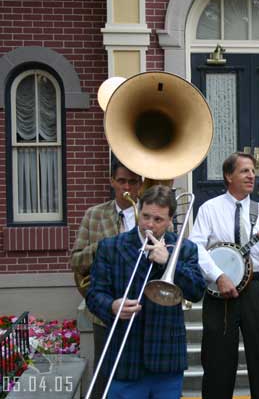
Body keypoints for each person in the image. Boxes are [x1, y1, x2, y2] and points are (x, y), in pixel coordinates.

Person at [86, 185, 205, 398]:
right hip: (125, 359)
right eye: (145, 216)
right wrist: (112, 306)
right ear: (138, 212)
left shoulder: (185, 248)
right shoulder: (111, 247)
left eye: (158, 220)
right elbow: (94, 294)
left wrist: (169, 262)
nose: (149, 224)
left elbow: (196, 291)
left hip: (166, 359)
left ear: (170, 221)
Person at [189, 152, 259, 399]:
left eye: (252, 171)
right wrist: (218, 276)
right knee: (217, 360)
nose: (251, 176)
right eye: (244, 171)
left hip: (256, 287)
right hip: (219, 290)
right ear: (228, 176)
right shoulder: (209, 209)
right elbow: (195, 247)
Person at [70, 160, 141, 398]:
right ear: (112, 182)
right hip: (106, 310)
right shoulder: (94, 214)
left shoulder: (150, 215)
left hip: (142, 308)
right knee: (105, 373)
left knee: (141, 375)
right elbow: (76, 261)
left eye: (132, 181)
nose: (126, 187)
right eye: (121, 181)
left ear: (140, 185)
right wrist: (105, 246)